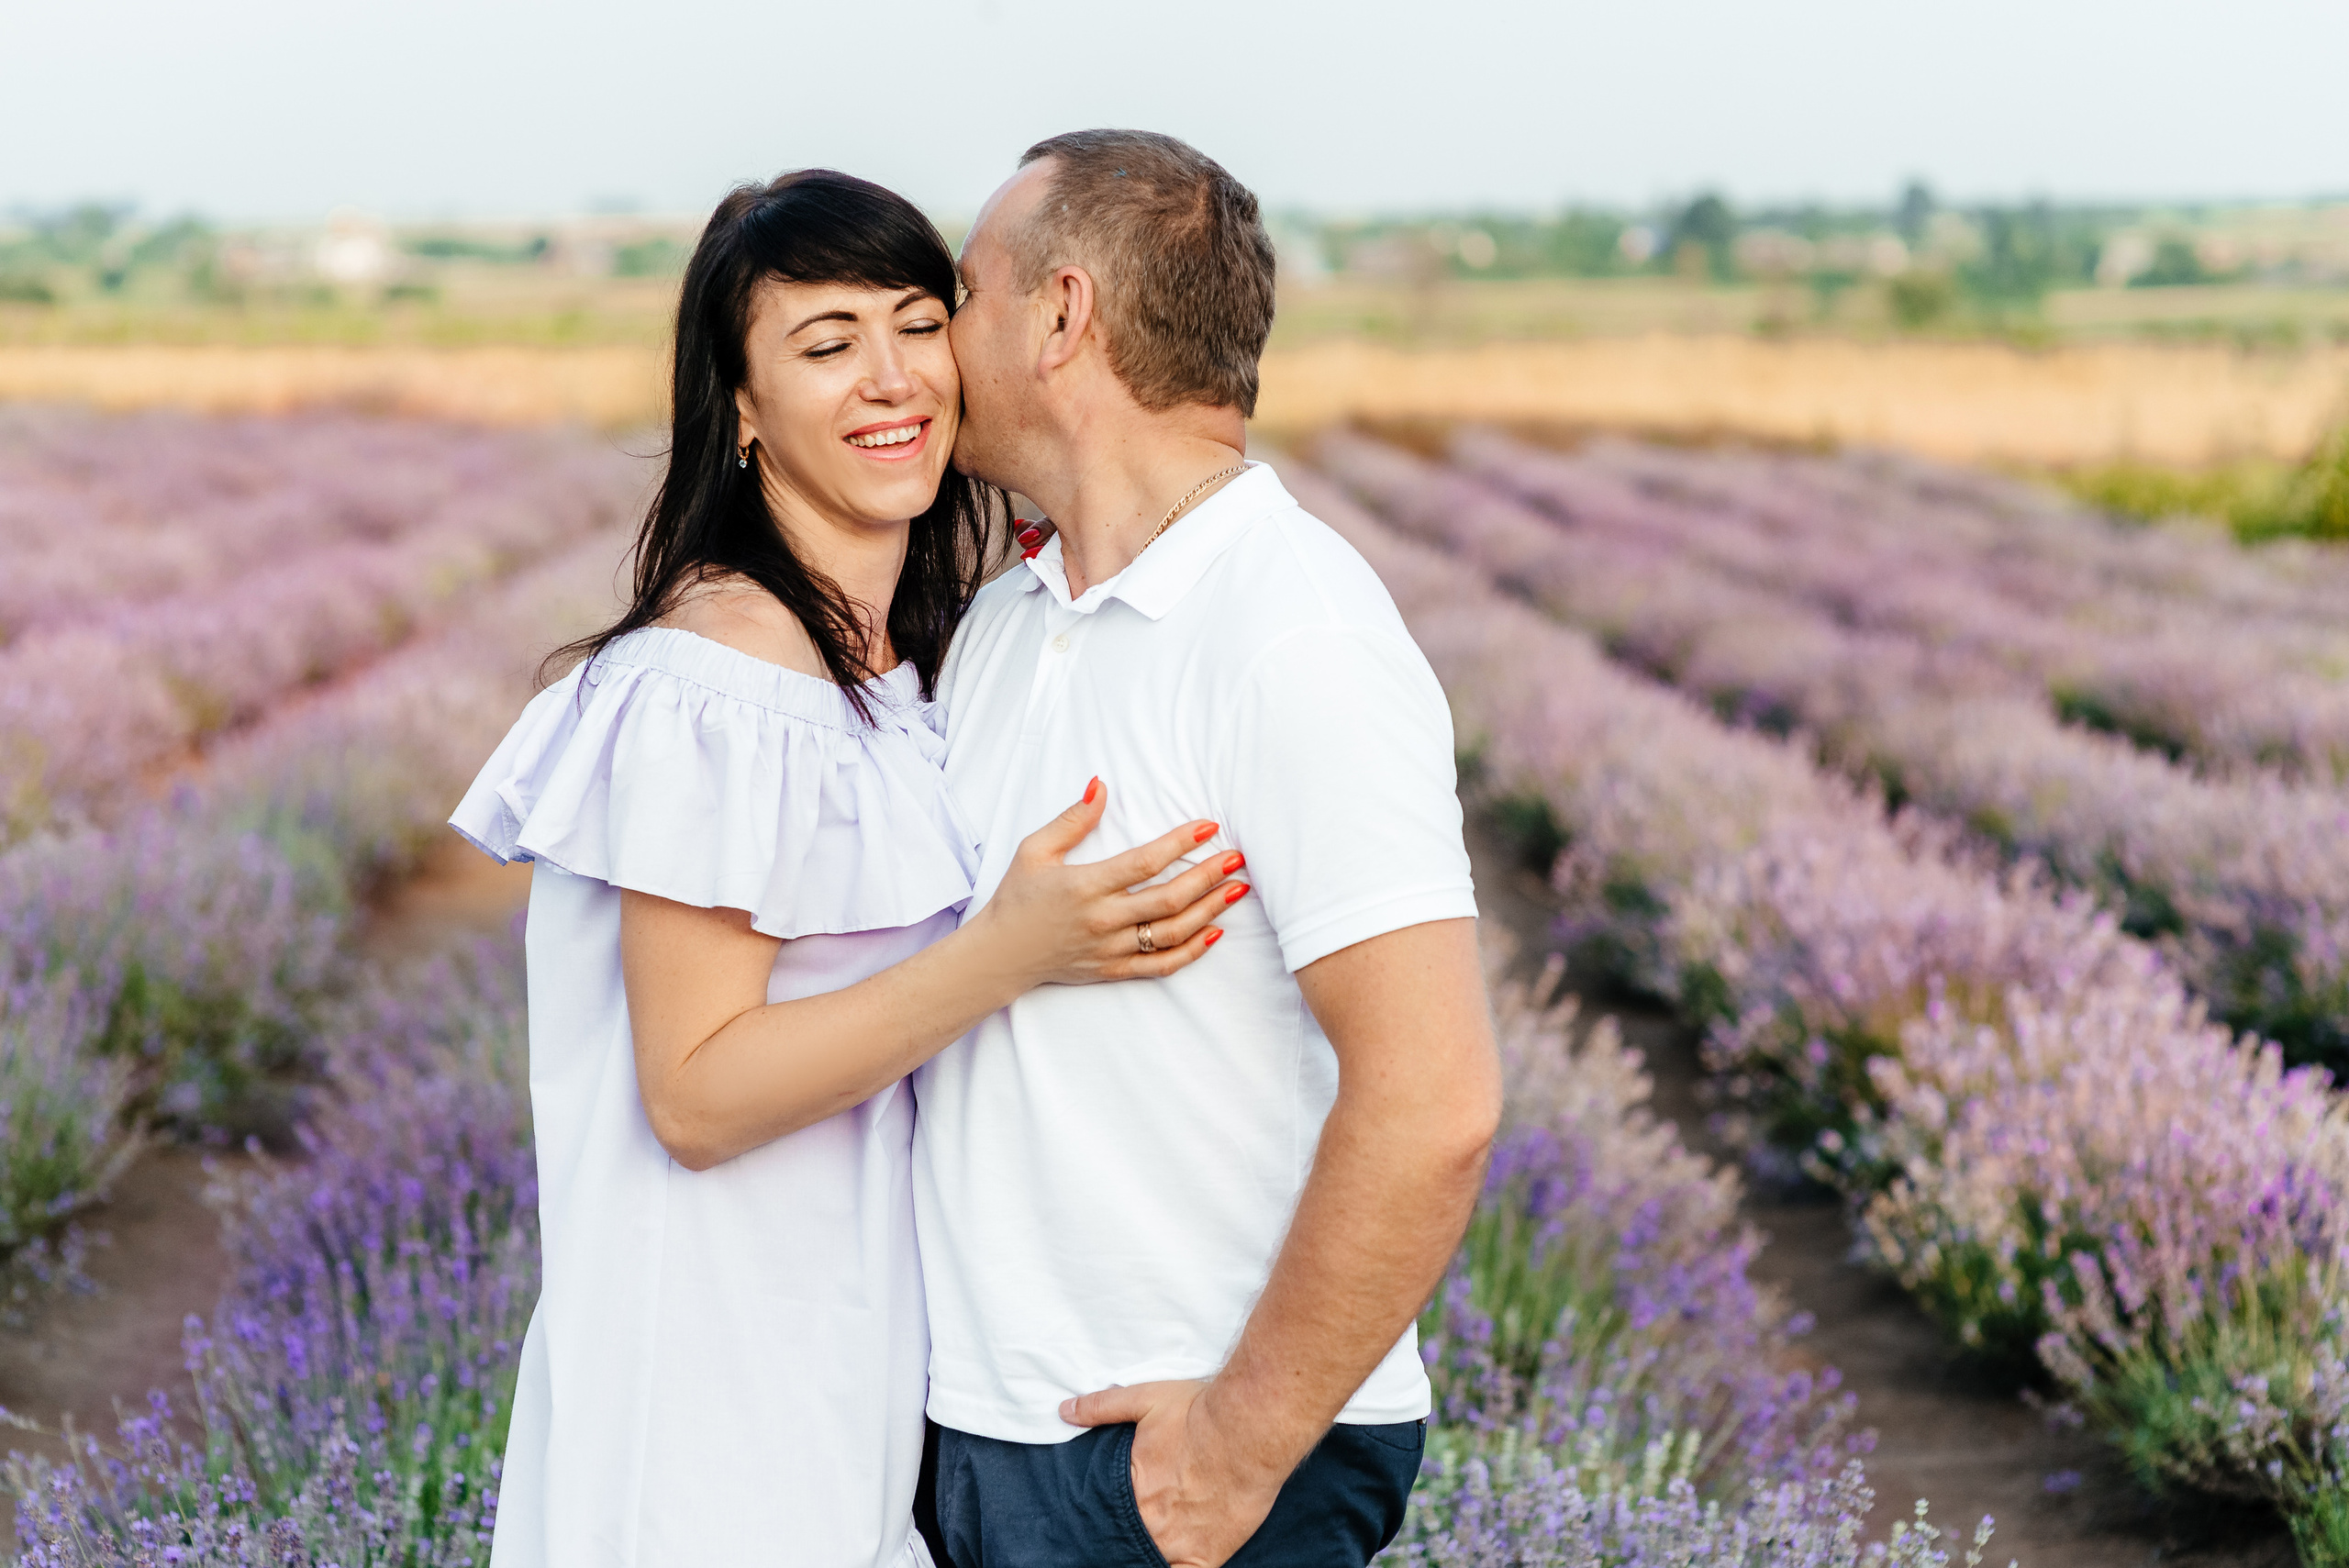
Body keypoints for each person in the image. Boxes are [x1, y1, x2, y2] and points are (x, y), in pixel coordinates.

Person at [449, 169, 1247, 1568]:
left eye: (916, 322)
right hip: (712, 1386)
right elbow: (693, 1092)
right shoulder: (717, 673)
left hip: (857, 1363)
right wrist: (1006, 953)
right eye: (824, 344)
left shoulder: (895, 671)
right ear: (742, 406)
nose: (891, 379)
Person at [915, 130, 1504, 1568]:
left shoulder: (1292, 631)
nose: (935, 342)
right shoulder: (1011, 619)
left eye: (963, 297)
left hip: (1170, 1457)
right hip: (990, 1430)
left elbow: (1434, 1098)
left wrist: (1227, 1458)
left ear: (1063, 316)